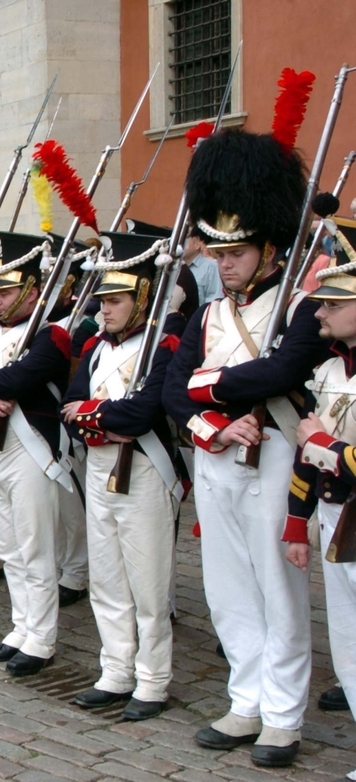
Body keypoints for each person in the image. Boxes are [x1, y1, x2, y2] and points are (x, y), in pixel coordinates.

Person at [162, 128, 326, 767]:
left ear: (268, 249)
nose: (224, 263)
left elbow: (278, 374)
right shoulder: (207, 316)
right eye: (220, 253)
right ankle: (245, 698)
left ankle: (283, 714)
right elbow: (177, 394)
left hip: (277, 459)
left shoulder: (301, 308)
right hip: (219, 459)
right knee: (227, 587)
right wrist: (217, 426)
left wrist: (210, 387)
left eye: (237, 252)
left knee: (278, 588)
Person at [60, 232, 185, 721]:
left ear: (142, 300)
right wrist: (103, 415)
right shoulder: (94, 347)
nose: (105, 310)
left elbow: (142, 414)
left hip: (146, 470)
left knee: (148, 583)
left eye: (115, 301)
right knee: (108, 578)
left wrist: (95, 413)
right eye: (103, 300)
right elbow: (68, 405)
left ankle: (153, 679)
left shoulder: (162, 345)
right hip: (99, 466)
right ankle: (115, 669)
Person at [0, 231, 74, 676]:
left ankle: (41, 637)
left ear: (30, 290)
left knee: (34, 546)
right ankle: (21, 627)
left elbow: (19, 379)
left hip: (32, 451)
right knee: (7, 546)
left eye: (5, 291)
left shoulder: (52, 335)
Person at [283, 224, 356, 782]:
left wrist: (323, 445)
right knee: (348, 647)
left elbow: (316, 445)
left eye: (332, 303)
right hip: (335, 518)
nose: (318, 314)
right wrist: (296, 523)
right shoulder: (328, 369)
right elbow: (304, 460)